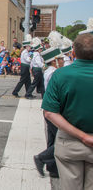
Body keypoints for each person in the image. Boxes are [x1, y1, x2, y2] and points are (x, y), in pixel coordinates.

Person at [42, 33, 93, 189]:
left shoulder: (60, 75)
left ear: (73, 53)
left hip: (69, 140)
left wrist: (83, 136)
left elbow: (49, 113)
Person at [33, 34, 64, 179]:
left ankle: (52, 168)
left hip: (50, 109)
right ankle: (41, 158)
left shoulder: (52, 71)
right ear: (55, 61)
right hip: (53, 110)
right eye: (61, 59)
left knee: (53, 139)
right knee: (62, 140)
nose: (63, 61)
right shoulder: (53, 73)